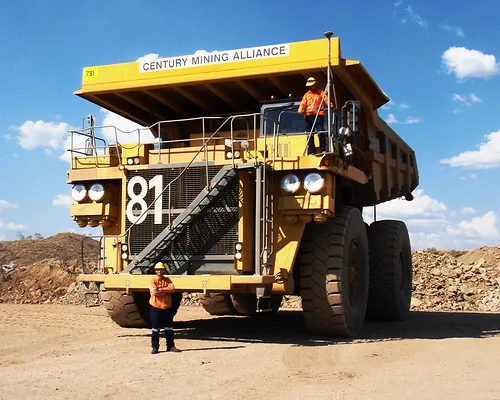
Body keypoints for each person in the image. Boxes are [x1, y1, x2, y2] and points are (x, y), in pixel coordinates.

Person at [149, 261, 181, 354]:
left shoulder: (167, 280)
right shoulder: (153, 280)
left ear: (164, 271)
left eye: (161, 270)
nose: (159, 271)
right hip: (156, 307)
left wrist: (161, 289)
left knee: (169, 328)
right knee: (155, 328)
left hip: (167, 307)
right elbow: (154, 292)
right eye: (158, 270)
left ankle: (170, 346)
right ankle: (155, 347)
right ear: (156, 271)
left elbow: (172, 288)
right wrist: (165, 290)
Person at [298, 77, 334, 155]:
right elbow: (303, 104)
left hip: (318, 116)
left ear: (315, 85)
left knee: (320, 132)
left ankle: (323, 149)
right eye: (309, 86)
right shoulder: (306, 95)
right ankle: (311, 151)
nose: (310, 88)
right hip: (308, 116)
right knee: (309, 134)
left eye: (312, 86)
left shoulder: (321, 93)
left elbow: (326, 99)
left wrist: (330, 105)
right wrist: (300, 110)